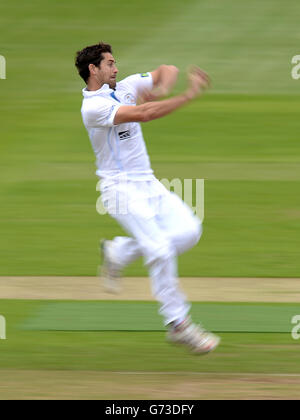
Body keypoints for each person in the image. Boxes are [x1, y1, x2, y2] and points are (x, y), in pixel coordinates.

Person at [75, 42, 220, 354]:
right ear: (93, 70)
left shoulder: (125, 85)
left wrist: (163, 87)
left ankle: (120, 251)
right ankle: (178, 323)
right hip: (119, 189)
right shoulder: (93, 107)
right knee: (160, 248)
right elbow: (144, 114)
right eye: (110, 64)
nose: (116, 68)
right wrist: (188, 94)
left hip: (149, 184)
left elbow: (167, 70)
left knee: (189, 232)